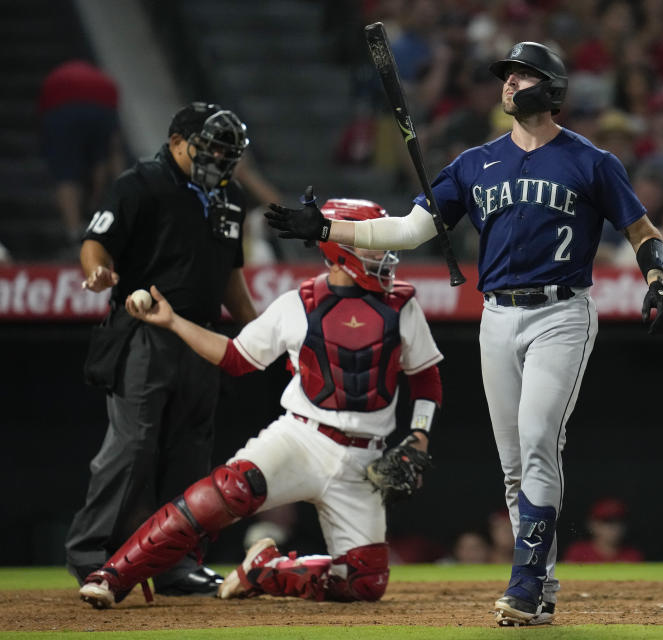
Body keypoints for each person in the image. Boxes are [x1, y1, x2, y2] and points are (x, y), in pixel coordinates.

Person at [265, 41, 663, 627]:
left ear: (550, 87)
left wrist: (658, 280)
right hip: (497, 315)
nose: (509, 83)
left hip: (561, 313)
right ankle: (542, 587)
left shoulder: (591, 161)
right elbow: (409, 231)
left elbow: (641, 229)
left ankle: (526, 581)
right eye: (505, 76)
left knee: (537, 441)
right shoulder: (475, 163)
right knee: (513, 465)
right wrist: (329, 228)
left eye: (521, 74)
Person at [78, 197, 444, 609]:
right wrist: (173, 321)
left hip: (364, 460)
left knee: (364, 584)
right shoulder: (297, 303)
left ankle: (265, 571)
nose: (383, 252)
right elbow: (236, 358)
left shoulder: (403, 304)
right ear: (338, 249)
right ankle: (112, 575)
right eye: (370, 242)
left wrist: (420, 434)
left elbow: (426, 378)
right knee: (228, 490)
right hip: (302, 437)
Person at [66, 102, 258, 596]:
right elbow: (96, 240)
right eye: (211, 147)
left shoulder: (229, 197)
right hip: (145, 331)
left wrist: (259, 331)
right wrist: (97, 270)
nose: (219, 157)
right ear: (177, 141)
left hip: (203, 336)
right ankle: (92, 554)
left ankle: (175, 564)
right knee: (133, 445)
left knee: (191, 455)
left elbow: (231, 279)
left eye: (226, 151)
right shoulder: (140, 183)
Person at [37, 59, 125, 247]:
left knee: (65, 173)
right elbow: (113, 145)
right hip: (102, 105)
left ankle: (74, 230)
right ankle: (97, 202)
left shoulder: (57, 81)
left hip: (60, 107)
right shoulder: (102, 80)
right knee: (101, 159)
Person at [563, 497, 644, 563]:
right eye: (606, 521)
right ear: (592, 524)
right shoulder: (577, 553)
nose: (613, 527)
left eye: (618, 521)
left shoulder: (633, 555)